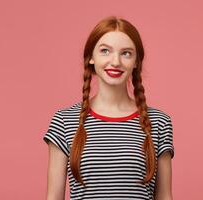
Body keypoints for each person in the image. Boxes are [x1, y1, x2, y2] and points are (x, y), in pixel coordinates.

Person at [43, 16, 174, 200]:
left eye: (126, 53)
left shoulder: (159, 122)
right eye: (105, 51)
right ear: (91, 58)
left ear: (136, 62)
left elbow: (165, 197)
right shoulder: (64, 121)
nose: (116, 61)